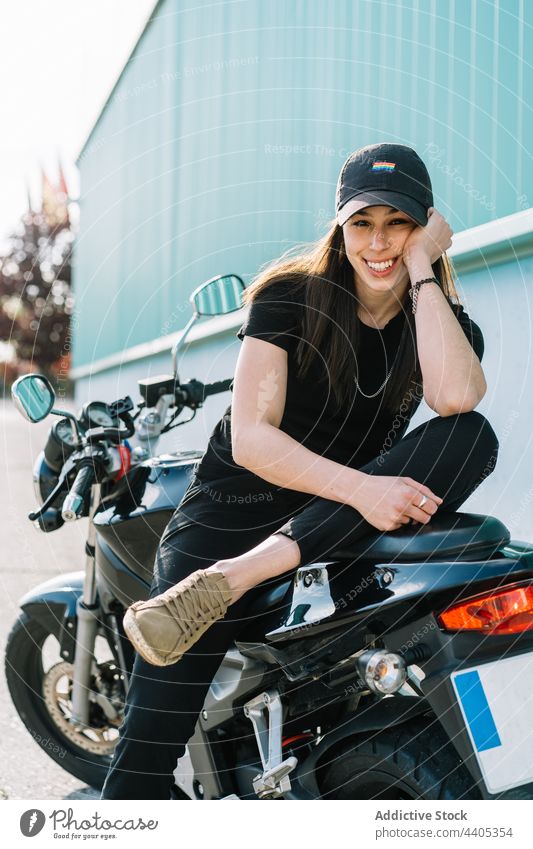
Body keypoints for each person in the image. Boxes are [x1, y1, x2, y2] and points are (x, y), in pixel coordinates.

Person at [101, 142, 498, 799]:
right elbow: (253, 439)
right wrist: (363, 487)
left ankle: (243, 581)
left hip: (330, 532)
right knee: (145, 757)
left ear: (424, 225)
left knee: (470, 434)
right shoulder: (289, 297)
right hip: (226, 529)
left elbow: (456, 399)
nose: (378, 243)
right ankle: (229, 581)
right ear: (338, 228)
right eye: (361, 223)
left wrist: (424, 267)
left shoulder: (436, 321)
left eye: (397, 224)